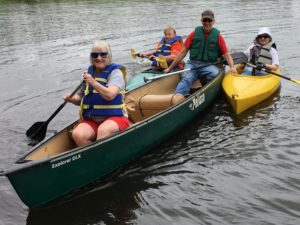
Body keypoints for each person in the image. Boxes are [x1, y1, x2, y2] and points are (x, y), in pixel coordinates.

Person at [64, 40, 130, 147]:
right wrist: (71, 99)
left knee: (103, 130)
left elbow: (110, 95)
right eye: (95, 55)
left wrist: (93, 82)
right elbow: (81, 98)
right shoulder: (88, 74)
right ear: (91, 57)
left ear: (109, 56)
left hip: (116, 117)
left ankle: (105, 157)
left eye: (103, 54)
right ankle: (91, 158)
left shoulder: (116, 73)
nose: (99, 58)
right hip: (93, 119)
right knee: (78, 134)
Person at [164, 9, 237, 101]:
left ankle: (207, 91)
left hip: (208, 65)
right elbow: (183, 52)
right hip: (193, 64)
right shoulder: (194, 34)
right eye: (205, 20)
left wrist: (232, 67)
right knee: (187, 79)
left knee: (215, 74)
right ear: (201, 21)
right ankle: (177, 98)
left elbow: (227, 55)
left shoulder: (218, 37)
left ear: (213, 21)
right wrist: (170, 68)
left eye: (209, 20)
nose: (207, 23)